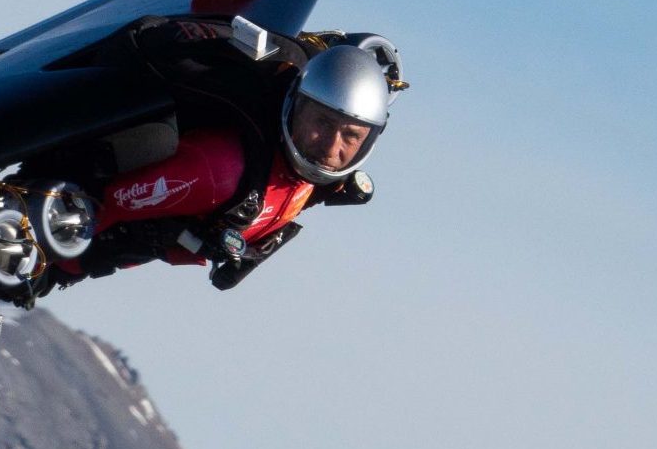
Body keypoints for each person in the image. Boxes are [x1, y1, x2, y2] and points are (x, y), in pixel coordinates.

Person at [57, 23, 404, 292]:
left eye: (351, 135)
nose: (331, 148)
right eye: (323, 123)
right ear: (298, 106)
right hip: (69, 235)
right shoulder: (219, 169)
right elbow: (100, 208)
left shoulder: (326, 180)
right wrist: (59, 267)